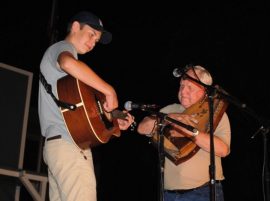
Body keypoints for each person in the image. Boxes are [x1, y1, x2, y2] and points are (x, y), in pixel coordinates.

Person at [38, 11, 134, 201]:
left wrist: (114, 119)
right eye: (91, 34)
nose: (93, 43)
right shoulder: (64, 49)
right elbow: (67, 62)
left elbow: (84, 112)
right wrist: (109, 90)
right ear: (75, 27)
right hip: (69, 146)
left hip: (57, 147)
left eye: (96, 41)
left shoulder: (70, 82)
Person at [137, 65, 231, 201]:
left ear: (205, 90)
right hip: (168, 194)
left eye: (190, 87)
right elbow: (142, 128)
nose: (183, 91)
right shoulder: (171, 109)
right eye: (181, 86)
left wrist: (192, 133)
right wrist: (172, 118)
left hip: (203, 192)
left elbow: (223, 150)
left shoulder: (215, 113)